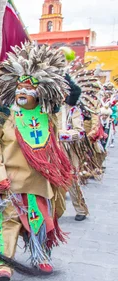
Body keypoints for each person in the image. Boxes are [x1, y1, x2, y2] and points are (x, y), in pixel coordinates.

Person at [0, 43, 73, 281]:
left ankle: (41, 255)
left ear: (41, 92)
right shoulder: (2, 115)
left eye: (28, 88)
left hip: (39, 181)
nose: (22, 93)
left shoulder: (48, 117)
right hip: (10, 181)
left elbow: (54, 144)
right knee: (8, 221)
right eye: (19, 87)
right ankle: (4, 263)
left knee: (40, 219)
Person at [59, 74, 89, 222]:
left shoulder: (73, 110)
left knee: (72, 181)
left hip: (68, 152)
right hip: (50, 151)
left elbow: (80, 132)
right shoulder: (48, 110)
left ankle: (81, 209)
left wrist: (62, 135)